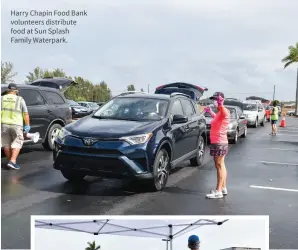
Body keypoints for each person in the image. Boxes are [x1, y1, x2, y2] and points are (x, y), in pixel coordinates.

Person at [204, 92, 230, 199]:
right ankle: (223, 188)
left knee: (219, 166)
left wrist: (220, 104)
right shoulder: (219, 113)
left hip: (220, 142)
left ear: (221, 99)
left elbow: (224, 113)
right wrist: (211, 112)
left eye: (217, 99)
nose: (214, 101)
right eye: (214, 99)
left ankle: (218, 191)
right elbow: (218, 118)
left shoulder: (224, 111)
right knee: (220, 165)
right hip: (217, 142)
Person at [1, 83, 31, 169]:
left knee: (6, 144)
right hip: (16, 124)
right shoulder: (20, 99)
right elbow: (25, 113)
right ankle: (12, 161)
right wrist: (27, 125)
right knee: (17, 142)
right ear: (16, 91)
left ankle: (10, 162)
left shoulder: (1, 98)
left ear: (8, 90)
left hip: (3, 124)